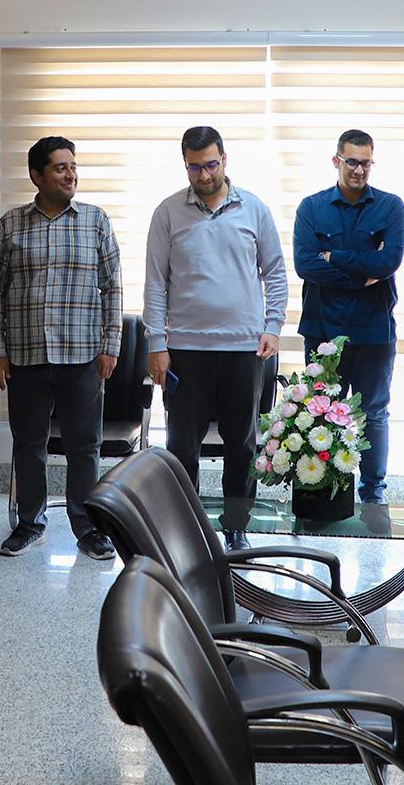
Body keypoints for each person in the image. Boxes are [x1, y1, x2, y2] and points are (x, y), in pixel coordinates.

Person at [142, 126, 287, 549]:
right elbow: (155, 283)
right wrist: (156, 344)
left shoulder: (254, 209)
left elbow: (276, 273)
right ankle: (184, 531)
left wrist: (273, 327)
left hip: (244, 349)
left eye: (210, 165)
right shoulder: (168, 212)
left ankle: (236, 526)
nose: (204, 175)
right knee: (181, 446)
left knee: (241, 444)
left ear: (224, 159)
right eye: (194, 167)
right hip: (185, 350)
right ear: (184, 164)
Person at [0, 136, 122, 561]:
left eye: (73, 166)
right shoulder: (11, 224)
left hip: (83, 356)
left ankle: (89, 529)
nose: (71, 174)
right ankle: (30, 524)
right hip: (25, 355)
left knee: (85, 447)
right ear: (37, 175)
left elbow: (113, 287)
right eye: (61, 167)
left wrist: (110, 344)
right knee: (29, 445)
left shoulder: (95, 221)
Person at [293, 129, 404, 504]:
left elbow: (388, 262)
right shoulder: (311, 207)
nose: (359, 170)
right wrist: (363, 274)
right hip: (322, 330)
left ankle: (373, 491)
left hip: (373, 330)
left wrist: (335, 257)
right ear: (336, 161)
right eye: (352, 162)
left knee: (373, 413)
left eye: (366, 163)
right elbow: (305, 265)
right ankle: (324, 492)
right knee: (321, 412)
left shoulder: (390, 206)